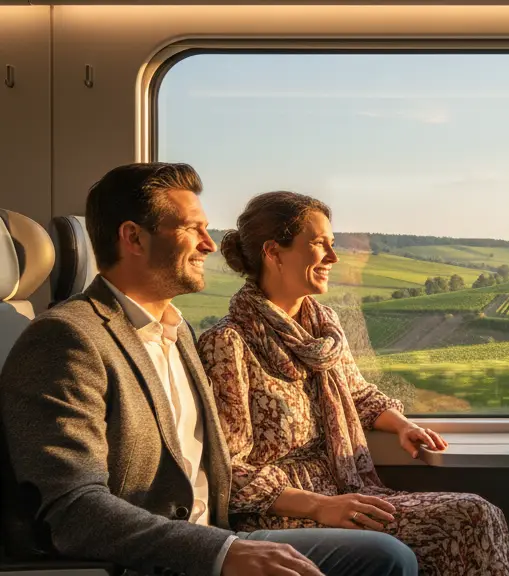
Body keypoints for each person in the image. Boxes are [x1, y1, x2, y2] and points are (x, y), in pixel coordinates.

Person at [0, 163, 418, 576]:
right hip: (154, 557)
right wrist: (220, 553)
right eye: (191, 229)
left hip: (218, 534)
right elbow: (74, 509)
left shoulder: (175, 329)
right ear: (133, 238)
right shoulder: (67, 339)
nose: (210, 245)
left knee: (386, 556)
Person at [197, 191, 509, 576]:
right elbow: (229, 470)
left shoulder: (324, 328)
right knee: (469, 518)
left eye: (332, 245)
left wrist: (403, 425)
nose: (333, 258)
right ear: (274, 252)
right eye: (318, 244)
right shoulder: (228, 343)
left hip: (346, 490)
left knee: (477, 514)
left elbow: (357, 393)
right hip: (284, 512)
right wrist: (320, 505)